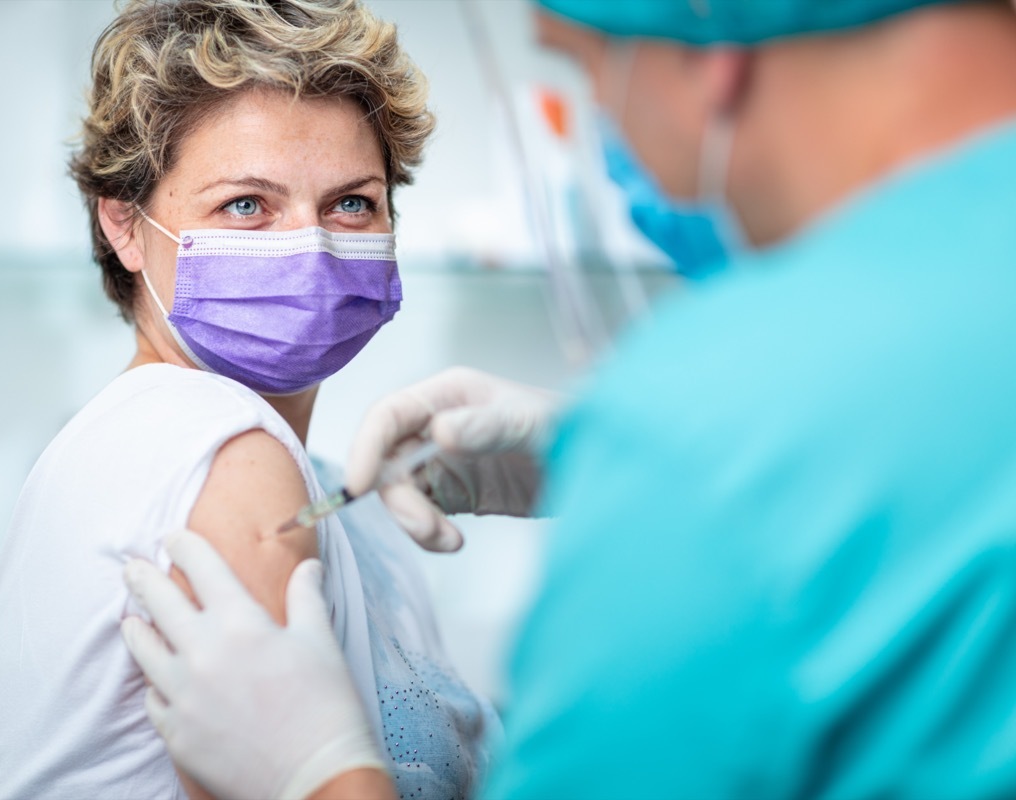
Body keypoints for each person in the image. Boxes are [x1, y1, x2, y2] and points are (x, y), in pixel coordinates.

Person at [120, 0, 1016, 797]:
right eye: (246, 205)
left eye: (590, 65)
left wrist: (319, 777)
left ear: (711, 49)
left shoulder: (707, 428)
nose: (608, 129)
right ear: (122, 223)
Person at [0, 1, 498, 798]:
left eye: (351, 202)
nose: (311, 246)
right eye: (246, 205)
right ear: (123, 223)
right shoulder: (218, 445)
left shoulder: (332, 490)